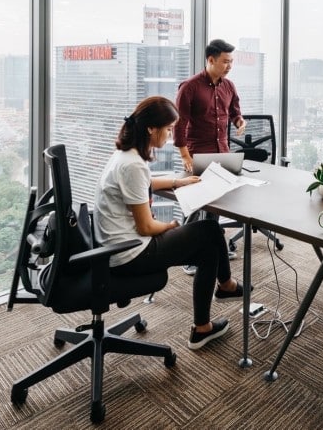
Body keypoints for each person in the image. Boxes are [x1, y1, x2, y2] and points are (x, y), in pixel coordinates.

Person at [94, 96, 246, 351]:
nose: (171, 135)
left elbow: (142, 184)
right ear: (151, 129)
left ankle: (215, 305)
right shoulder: (132, 165)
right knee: (208, 232)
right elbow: (146, 228)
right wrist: (172, 226)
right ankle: (217, 300)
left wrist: (177, 182)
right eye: (168, 129)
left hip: (115, 246)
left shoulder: (125, 156)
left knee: (208, 237)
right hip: (130, 254)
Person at [173, 39, 246, 274]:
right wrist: (185, 155)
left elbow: (234, 111)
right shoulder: (190, 87)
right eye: (225, 61)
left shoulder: (229, 86)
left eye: (231, 62)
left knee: (216, 203)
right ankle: (186, 252)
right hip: (197, 153)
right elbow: (179, 124)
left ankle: (212, 247)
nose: (229, 66)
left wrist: (239, 121)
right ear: (211, 60)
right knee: (196, 203)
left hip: (221, 151)